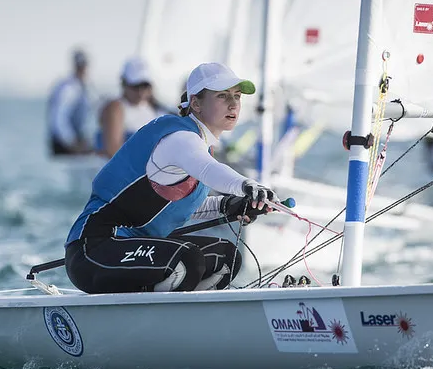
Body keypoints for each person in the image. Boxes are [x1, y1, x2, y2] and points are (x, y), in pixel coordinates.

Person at [65, 62, 279, 294]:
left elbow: (177, 206)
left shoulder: (201, 146)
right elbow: (210, 170)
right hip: (94, 249)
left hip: (132, 248)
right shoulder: (180, 138)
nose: (233, 103)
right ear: (196, 103)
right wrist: (247, 185)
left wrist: (227, 205)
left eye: (237, 96)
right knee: (187, 260)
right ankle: (158, 313)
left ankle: (191, 311)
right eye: (222, 95)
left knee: (226, 256)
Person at [97, 58, 167, 158]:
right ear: (124, 83)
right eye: (135, 86)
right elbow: (113, 152)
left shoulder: (155, 108)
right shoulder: (115, 108)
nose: (140, 92)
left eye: (144, 86)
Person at [47, 48, 94, 155]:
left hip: (77, 140)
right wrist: (71, 142)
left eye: (84, 65)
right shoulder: (67, 89)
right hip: (65, 143)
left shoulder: (85, 86)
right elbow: (58, 118)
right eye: (80, 66)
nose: (83, 69)